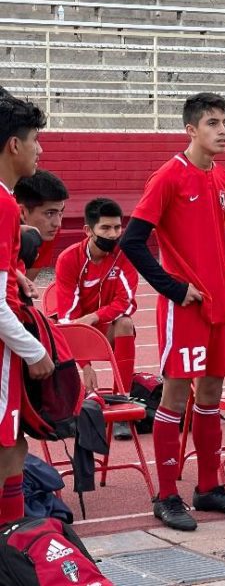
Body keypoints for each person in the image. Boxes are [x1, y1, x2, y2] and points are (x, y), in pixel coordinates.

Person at [120, 93, 225, 531]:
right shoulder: (167, 177)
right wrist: (174, 288)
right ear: (191, 130)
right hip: (185, 307)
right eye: (213, 122)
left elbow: (215, 236)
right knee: (176, 396)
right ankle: (166, 495)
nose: (223, 130)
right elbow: (132, 241)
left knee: (212, 397)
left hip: (220, 305)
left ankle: (210, 486)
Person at [0, 95, 54, 525]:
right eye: (36, 139)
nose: (41, 149)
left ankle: (14, 542)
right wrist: (34, 351)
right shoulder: (2, 203)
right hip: (2, 352)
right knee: (5, 449)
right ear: (14, 145)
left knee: (15, 445)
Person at [53, 197, 138, 394]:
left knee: (125, 323)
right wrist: (86, 365)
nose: (113, 234)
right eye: (105, 228)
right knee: (52, 333)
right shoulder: (68, 258)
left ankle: (123, 398)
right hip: (75, 330)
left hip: (104, 326)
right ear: (88, 231)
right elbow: (68, 316)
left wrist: (95, 316)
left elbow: (126, 303)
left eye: (117, 228)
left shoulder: (124, 254)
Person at [14, 169, 67, 281]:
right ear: (22, 212)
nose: (57, 223)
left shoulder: (47, 231)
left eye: (60, 213)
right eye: (49, 213)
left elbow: (25, 286)